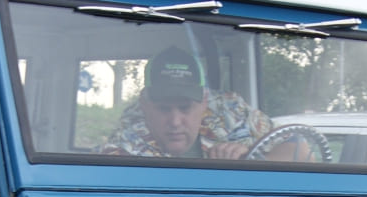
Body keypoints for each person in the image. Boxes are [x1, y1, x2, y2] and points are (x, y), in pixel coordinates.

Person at [102, 47, 273, 159]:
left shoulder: (229, 109)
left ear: (204, 101)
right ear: (145, 105)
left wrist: (251, 159)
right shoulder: (126, 141)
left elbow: (296, 144)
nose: (175, 122)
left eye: (185, 108)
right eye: (164, 109)